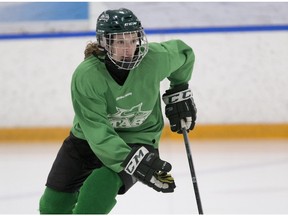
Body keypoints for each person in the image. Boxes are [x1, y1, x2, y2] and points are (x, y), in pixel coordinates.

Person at [39, 8, 197, 214]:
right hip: (88, 140)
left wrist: (179, 87)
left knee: (97, 192)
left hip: (139, 139)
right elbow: (96, 130)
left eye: (132, 40)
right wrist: (133, 161)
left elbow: (184, 53)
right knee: (52, 206)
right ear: (105, 43)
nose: (128, 48)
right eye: (120, 42)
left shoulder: (155, 59)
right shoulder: (87, 75)